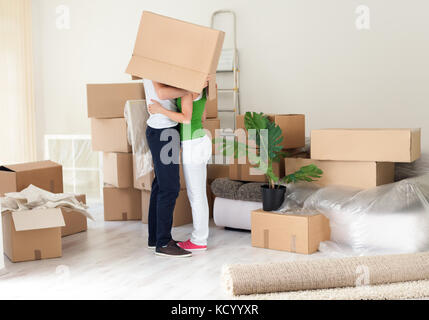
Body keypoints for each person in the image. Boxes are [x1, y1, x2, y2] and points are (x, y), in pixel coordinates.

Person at [148, 85, 212, 252]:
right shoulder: (203, 87)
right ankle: (200, 238)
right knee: (199, 194)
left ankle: (199, 240)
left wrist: (160, 109)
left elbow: (186, 118)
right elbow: (203, 116)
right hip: (200, 138)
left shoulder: (188, 88)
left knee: (196, 195)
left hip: (192, 143)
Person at [143, 79, 192, 258]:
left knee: (160, 185)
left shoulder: (159, 62)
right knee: (169, 188)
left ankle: (155, 238)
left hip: (164, 130)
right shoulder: (155, 63)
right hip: (163, 132)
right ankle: (163, 242)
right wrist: (189, 87)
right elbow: (162, 93)